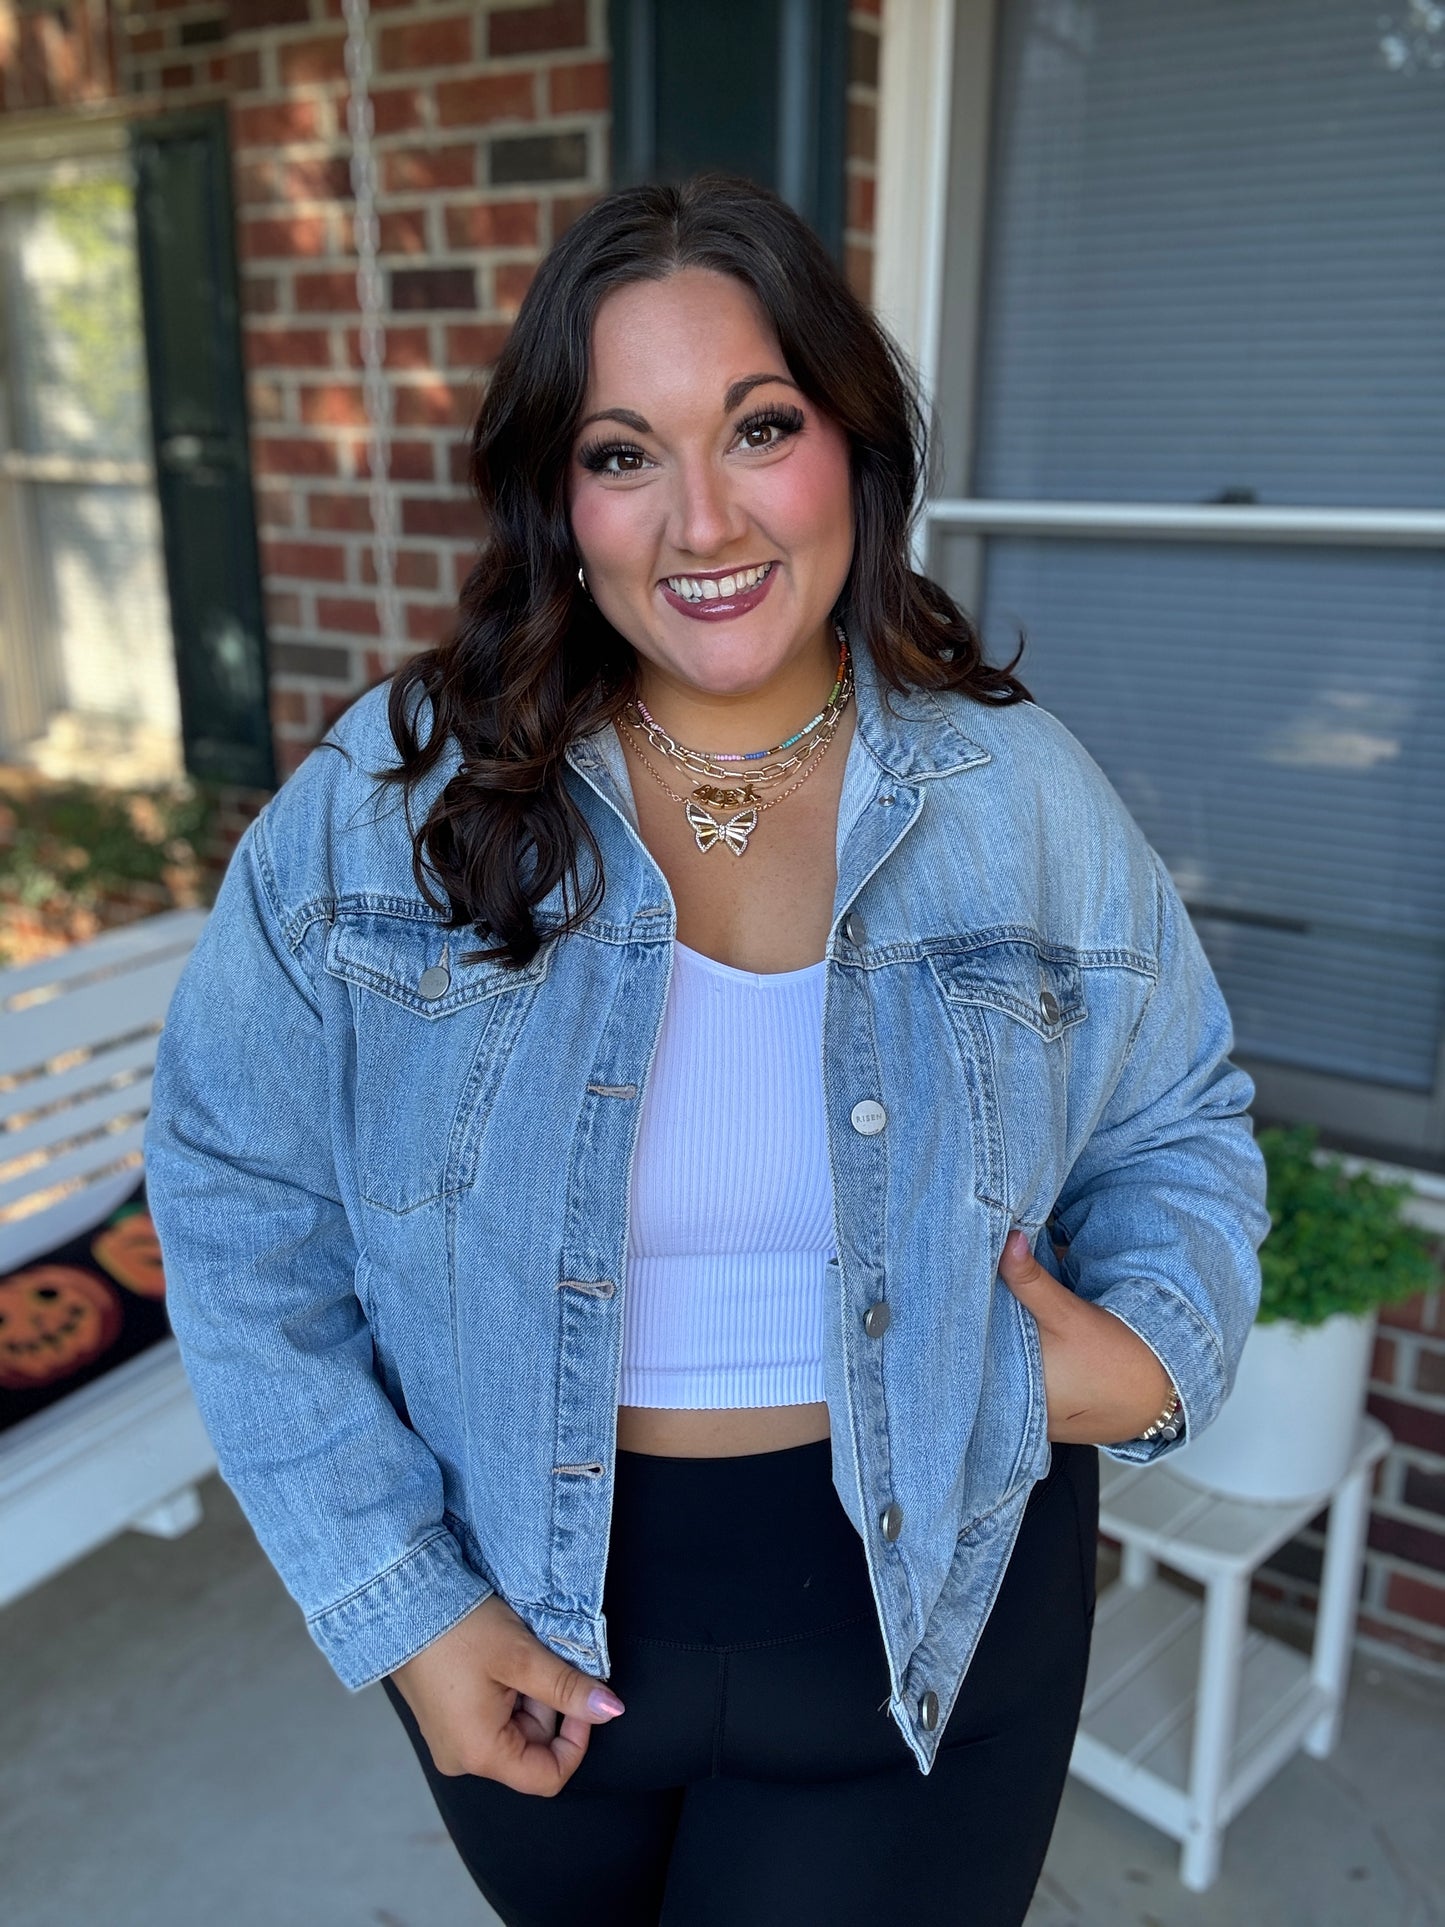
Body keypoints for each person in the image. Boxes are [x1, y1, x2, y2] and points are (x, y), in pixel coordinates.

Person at [143, 171, 1270, 1927]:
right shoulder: (389, 803)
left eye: (759, 427)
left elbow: (1179, 1112)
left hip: (933, 1606)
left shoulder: (1013, 792)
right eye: (621, 453)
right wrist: (402, 1602)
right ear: (557, 497)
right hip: (527, 1621)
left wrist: (1152, 1355)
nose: (700, 520)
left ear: (851, 448)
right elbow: (233, 1199)